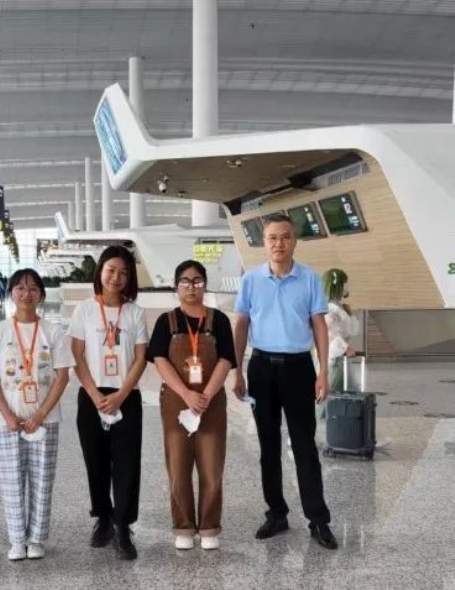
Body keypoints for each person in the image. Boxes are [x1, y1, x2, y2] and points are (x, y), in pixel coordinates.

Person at [232, 213, 338, 550]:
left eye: (285, 237)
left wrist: (323, 371)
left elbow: (319, 325)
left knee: (305, 445)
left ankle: (317, 519)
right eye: (272, 238)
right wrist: (237, 369)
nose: (279, 243)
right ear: (264, 243)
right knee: (268, 446)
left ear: (294, 240)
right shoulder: (251, 280)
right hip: (261, 368)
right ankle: (276, 513)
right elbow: (241, 325)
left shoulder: (309, 278)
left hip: (298, 368)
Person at [0, 268, 73, 561]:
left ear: (41, 295)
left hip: (45, 420)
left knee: (42, 481)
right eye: (20, 288)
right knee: (11, 482)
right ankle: (16, 540)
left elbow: (62, 376)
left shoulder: (53, 331)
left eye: (33, 288)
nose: (26, 294)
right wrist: (7, 415)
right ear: (11, 293)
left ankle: (36, 539)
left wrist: (41, 414)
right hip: (7, 422)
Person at [146, 260, 236, 550]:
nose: (191, 287)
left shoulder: (219, 320)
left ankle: (209, 527)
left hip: (212, 401)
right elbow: (159, 359)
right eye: (185, 281)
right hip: (176, 401)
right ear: (176, 287)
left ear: (205, 285)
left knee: (212, 467)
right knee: (178, 467)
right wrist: (186, 394)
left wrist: (205, 395)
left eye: (197, 281)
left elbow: (226, 360)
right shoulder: (166, 322)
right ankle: (183, 527)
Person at [68, 245, 148, 560]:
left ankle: (123, 526)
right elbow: (77, 355)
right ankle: (103, 518)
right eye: (111, 270)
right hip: (92, 396)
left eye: (123, 272)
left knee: (127, 464)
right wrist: (95, 394)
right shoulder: (84, 310)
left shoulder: (134, 312)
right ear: (100, 271)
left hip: (126, 395)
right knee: (96, 461)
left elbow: (140, 358)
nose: (116, 277)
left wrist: (120, 395)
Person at [322, 268, 360, 395]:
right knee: (330, 395)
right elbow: (329, 334)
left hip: (342, 358)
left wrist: (350, 314)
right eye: (344, 283)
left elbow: (354, 330)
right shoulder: (328, 308)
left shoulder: (339, 306)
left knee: (349, 393)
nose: (347, 287)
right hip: (333, 357)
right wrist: (345, 347)